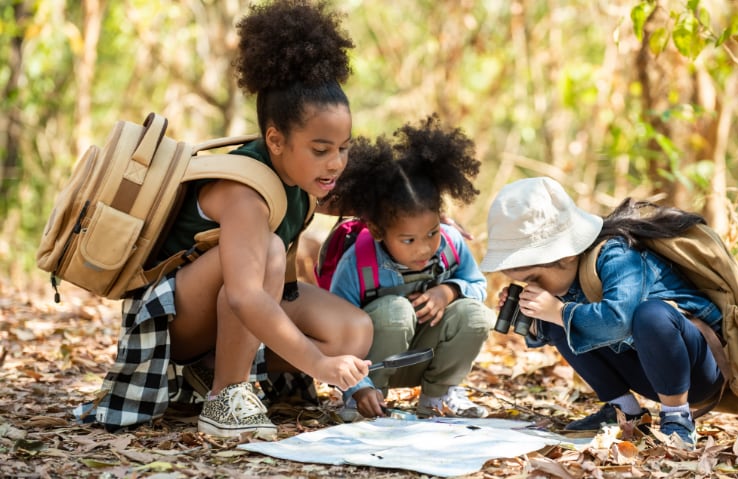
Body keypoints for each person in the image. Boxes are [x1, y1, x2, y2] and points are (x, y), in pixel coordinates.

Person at [74, 0, 373, 438]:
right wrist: (319, 364)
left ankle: (212, 369)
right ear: (275, 139)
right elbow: (247, 298)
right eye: (321, 149)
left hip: (230, 302)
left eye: (344, 148)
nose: (335, 163)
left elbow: (366, 204)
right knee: (268, 251)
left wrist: (440, 226)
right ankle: (225, 396)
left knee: (353, 331)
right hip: (172, 319)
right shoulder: (244, 192)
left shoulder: (303, 178)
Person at [480, 177, 726, 448]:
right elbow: (558, 331)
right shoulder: (565, 278)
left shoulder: (619, 256)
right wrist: (532, 316)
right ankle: (624, 411)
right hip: (646, 371)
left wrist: (559, 312)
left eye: (534, 278)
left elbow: (618, 322)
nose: (532, 287)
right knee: (560, 318)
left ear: (567, 255)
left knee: (650, 315)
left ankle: (677, 418)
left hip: (695, 372)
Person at [327, 115, 495, 419]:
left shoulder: (451, 243)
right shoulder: (358, 263)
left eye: (431, 233)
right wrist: (357, 386)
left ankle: (438, 395)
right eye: (408, 239)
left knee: (477, 315)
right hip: (372, 366)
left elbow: (479, 286)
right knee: (395, 311)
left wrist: (449, 291)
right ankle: (368, 398)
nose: (423, 247)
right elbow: (337, 330)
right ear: (378, 231)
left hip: (425, 358)